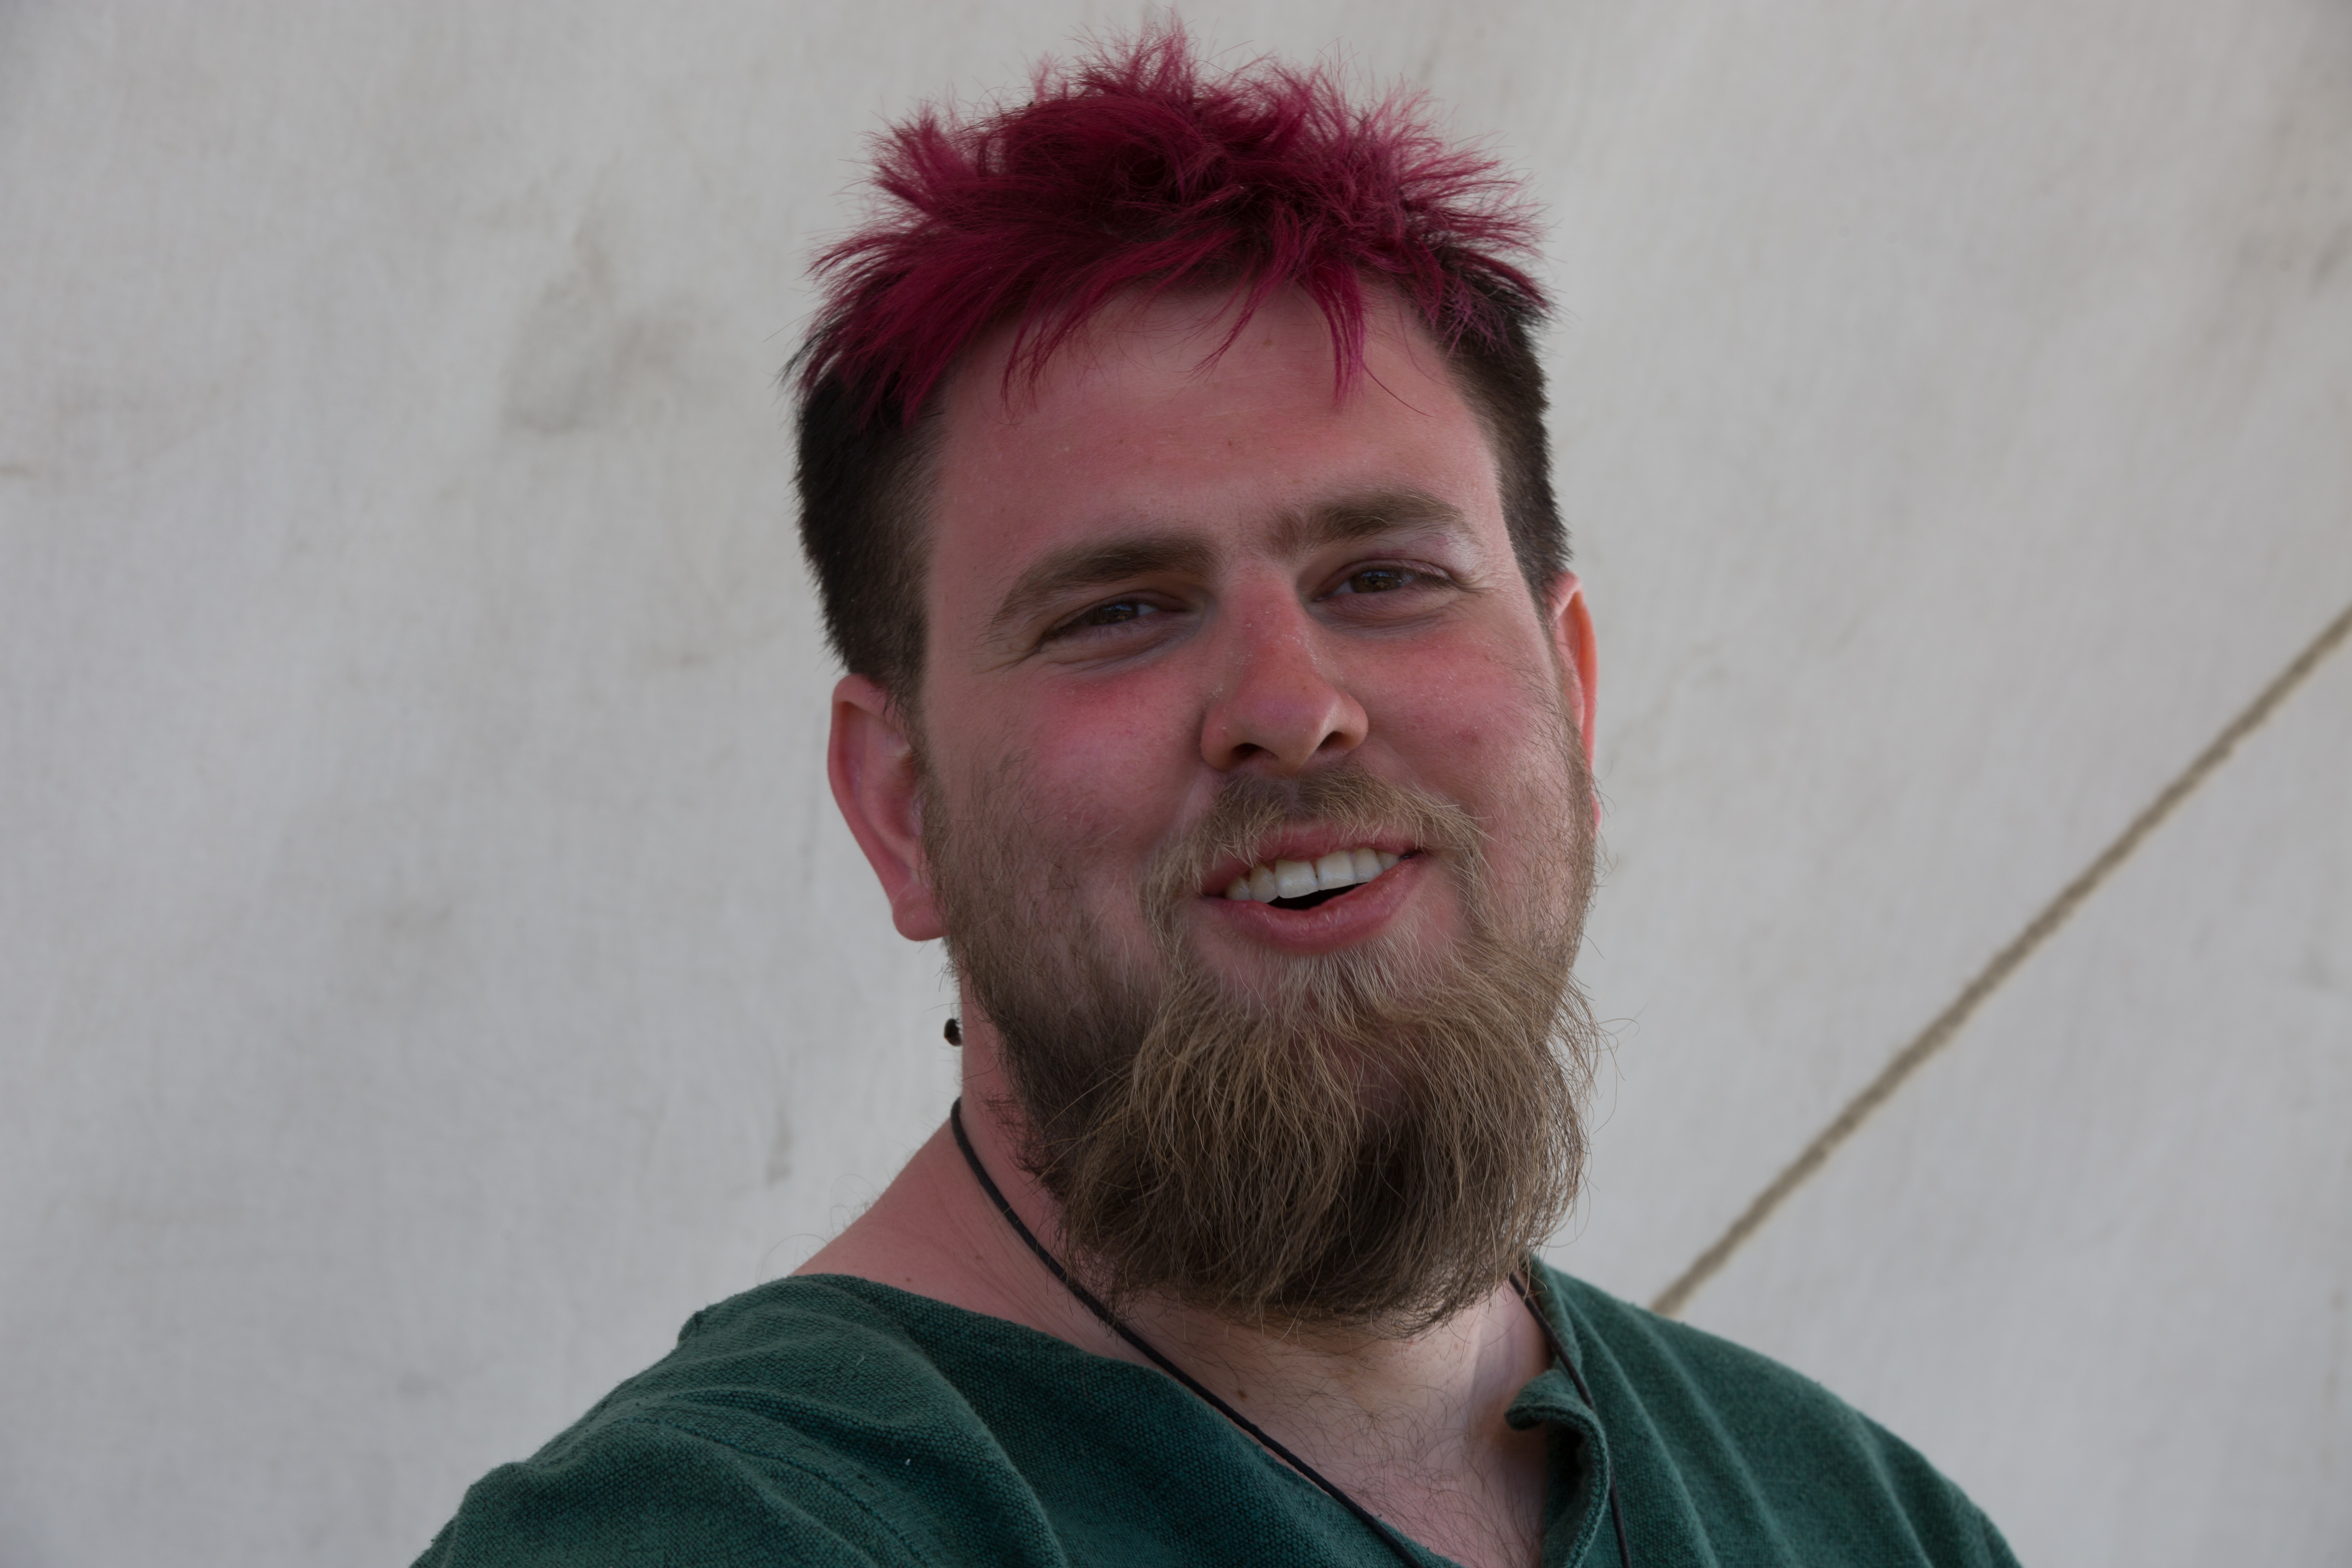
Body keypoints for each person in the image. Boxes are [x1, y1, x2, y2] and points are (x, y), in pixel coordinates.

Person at [418, 29, 2017, 1568]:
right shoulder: (725, 1537)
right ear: (902, 808)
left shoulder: (1862, 1517)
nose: (1292, 708)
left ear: (1573, 693)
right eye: (1119, 610)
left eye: (1385, 575)